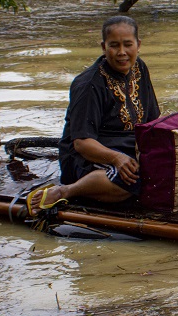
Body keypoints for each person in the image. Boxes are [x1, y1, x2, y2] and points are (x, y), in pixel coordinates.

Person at [27, 16, 160, 213]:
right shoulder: (89, 84)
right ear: (103, 47)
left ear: (138, 45)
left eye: (128, 45)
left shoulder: (139, 67)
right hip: (87, 156)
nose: (122, 52)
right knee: (132, 182)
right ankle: (66, 191)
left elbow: (153, 120)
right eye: (114, 45)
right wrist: (117, 159)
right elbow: (81, 143)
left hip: (129, 147)